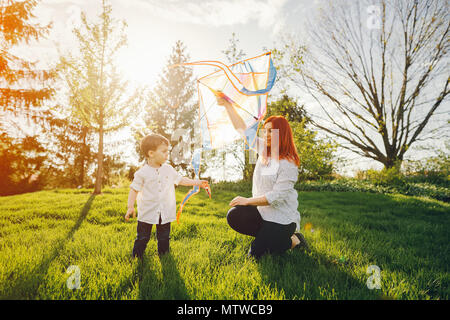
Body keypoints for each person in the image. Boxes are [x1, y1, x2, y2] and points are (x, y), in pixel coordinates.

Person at [217, 95, 310, 259]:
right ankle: (267, 237)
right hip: (262, 213)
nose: (267, 135)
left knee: (255, 255)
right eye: (265, 131)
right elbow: (242, 130)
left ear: (281, 133)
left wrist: (247, 201)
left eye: (271, 131)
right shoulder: (263, 150)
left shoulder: (288, 164)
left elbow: (276, 197)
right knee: (234, 215)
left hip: (282, 219)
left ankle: (294, 240)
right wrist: (228, 105)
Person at [125, 133, 209, 258]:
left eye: (168, 151)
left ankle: (164, 257)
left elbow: (181, 180)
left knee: (164, 237)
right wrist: (130, 206)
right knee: (142, 237)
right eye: (164, 151)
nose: (167, 154)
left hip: (164, 211)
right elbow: (134, 189)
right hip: (147, 211)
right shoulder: (142, 173)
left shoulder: (168, 169)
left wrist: (197, 182)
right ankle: (136, 257)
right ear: (151, 153)